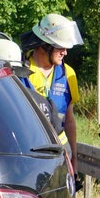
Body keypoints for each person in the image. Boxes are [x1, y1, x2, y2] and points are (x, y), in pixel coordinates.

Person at [21, 14, 83, 156]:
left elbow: (69, 119)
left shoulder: (67, 74)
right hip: (29, 150)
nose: (65, 53)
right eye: (60, 47)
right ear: (44, 45)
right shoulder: (19, 71)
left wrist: (73, 156)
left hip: (60, 150)